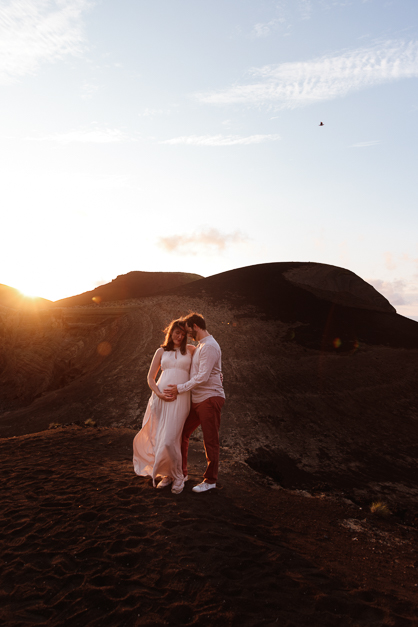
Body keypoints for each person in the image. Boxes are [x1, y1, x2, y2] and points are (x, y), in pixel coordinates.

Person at [133, 319, 195, 494]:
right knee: (162, 438)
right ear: (171, 331)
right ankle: (167, 475)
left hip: (181, 398)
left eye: (183, 334)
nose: (180, 336)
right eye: (177, 332)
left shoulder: (191, 350)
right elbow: (150, 378)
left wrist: (217, 374)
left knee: (170, 439)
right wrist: (159, 393)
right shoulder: (161, 351)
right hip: (160, 398)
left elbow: (205, 365)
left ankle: (179, 476)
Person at [164, 312, 225, 493]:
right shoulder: (201, 346)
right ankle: (182, 473)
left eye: (189, 330)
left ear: (196, 326)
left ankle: (210, 480)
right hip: (197, 400)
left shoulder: (210, 347)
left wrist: (180, 388)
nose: (188, 334)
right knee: (182, 433)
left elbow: (203, 377)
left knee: (210, 440)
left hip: (209, 398)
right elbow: (207, 371)